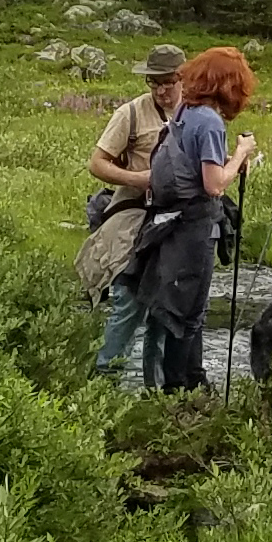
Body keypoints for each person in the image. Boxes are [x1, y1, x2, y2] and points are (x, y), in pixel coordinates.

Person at [132, 46, 258, 392]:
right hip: (195, 226)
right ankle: (179, 389)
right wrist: (241, 156)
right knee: (187, 313)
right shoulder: (210, 121)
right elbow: (214, 184)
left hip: (172, 222)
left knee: (182, 307)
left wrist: (227, 161)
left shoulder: (187, 109)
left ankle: (189, 381)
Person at [87, 43, 187, 381]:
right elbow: (97, 163)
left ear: (182, 79)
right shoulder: (130, 114)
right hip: (133, 221)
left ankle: (154, 390)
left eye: (167, 82)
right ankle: (105, 381)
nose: (160, 90)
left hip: (176, 225)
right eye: (153, 83)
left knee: (164, 309)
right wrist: (139, 179)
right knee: (127, 302)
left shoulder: (198, 114)